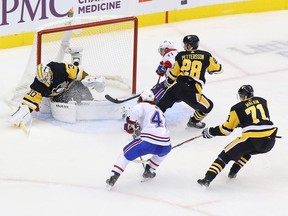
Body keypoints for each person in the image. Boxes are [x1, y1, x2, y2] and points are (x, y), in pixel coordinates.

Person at [197, 85, 278, 187]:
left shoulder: (237, 108)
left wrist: (211, 132)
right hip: (270, 140)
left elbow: (226, 130)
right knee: (248, 151)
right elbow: (259, 119)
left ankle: (207, 179)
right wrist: (242, 122)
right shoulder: (262, 101)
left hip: (252, 138)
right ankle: (233, 172)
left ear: (242, 96)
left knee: (225, 156)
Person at [106, 90, 172, 190]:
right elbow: (157, 126)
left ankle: (113, 176)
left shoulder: (142, 105)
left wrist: (130, 123)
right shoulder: (159, 110)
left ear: (141, 99)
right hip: (166, 144)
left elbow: (135, 113)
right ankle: (149, 170)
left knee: (125, 153)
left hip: (148, 142)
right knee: (160, 155)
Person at [10, 61, 106, 127]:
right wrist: (21, 115)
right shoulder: (38, 85)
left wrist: (89, 79)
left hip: (72, 85)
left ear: (50, 73)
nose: (46, 83)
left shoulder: (60, 68)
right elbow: (29, 103)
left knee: (83, 94)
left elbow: (79, 72)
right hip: (59, 95)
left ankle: (92, 104)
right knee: (68, 107)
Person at [156, 35, 223, 129]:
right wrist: (210, 70)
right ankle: (193, 122)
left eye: (186, 44)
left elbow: (173, 75)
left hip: (176, 87)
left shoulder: (180, 55)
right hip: (192, 91)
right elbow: (219, 69)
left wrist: (166, 83)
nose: (184, 46)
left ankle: (148, 123)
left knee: (160, 106)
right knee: (208, 106)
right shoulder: (206, 55)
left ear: (190, 46)